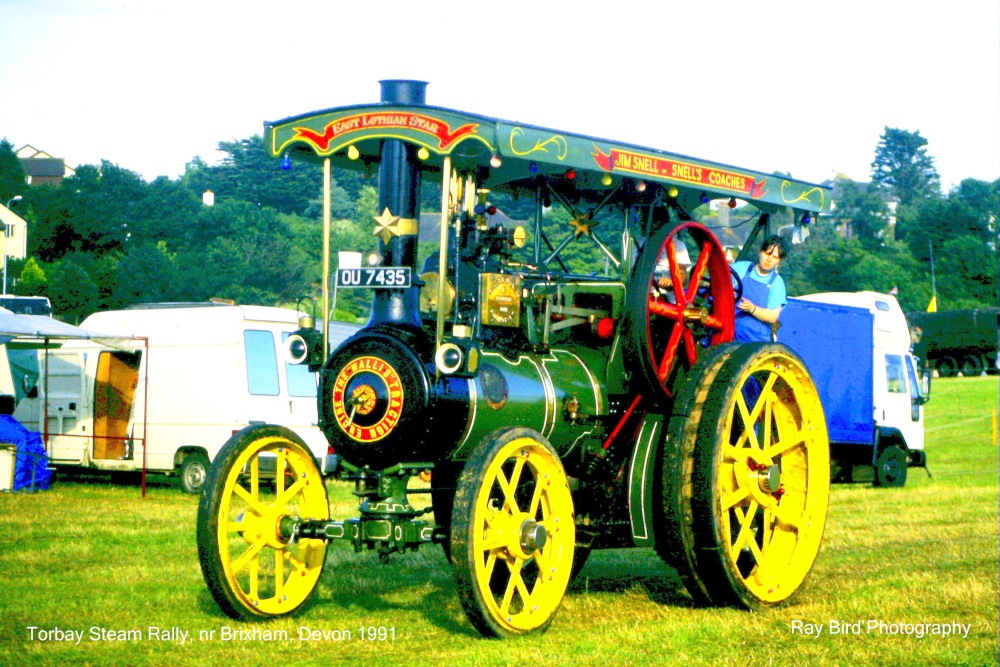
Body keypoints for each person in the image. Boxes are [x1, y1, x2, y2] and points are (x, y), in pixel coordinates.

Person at [731, 235, 788, 342]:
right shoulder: (739, 268)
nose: (769, 259)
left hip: (754, 341)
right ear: (760, 252)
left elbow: (772, 316)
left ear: (779, 261)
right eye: (767, 253)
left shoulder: (777, 283)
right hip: (726, 333)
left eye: (775, 257)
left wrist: (752, 309)